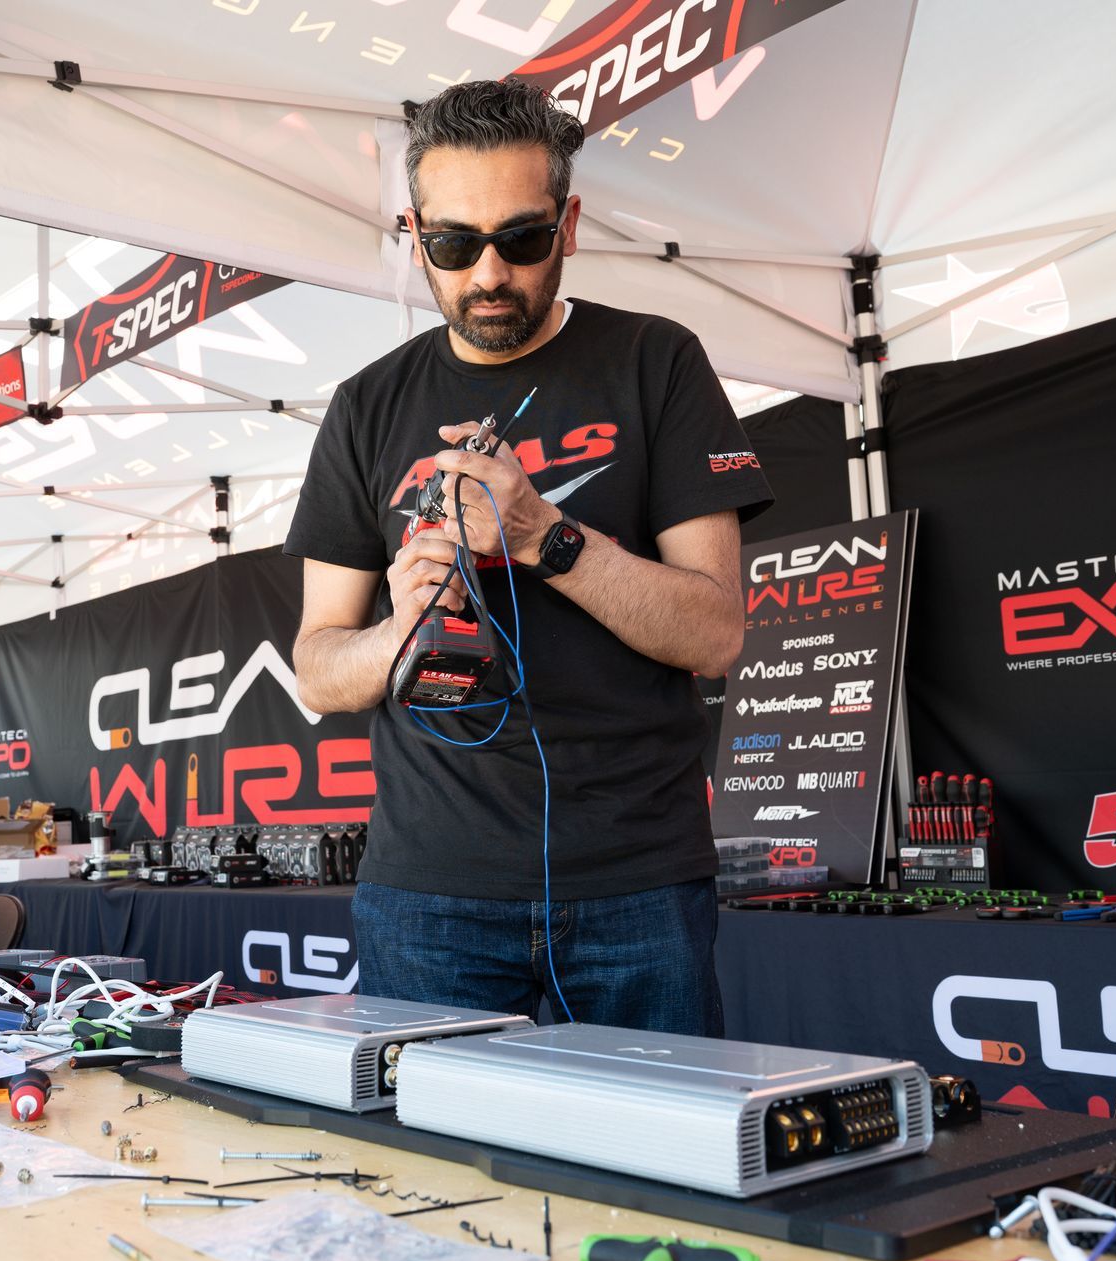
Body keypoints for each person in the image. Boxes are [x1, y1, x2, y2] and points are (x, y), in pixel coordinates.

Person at [284, 80, 773, 1035]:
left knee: (659, 1168)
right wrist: (398, 631)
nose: (489, 274)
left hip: (637, 880)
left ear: (571, 224)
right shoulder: (366, 405)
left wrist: (541, 537)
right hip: (432, 890)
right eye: (455, 245)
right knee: (435, 1174)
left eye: (523, 238)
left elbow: (716, 635)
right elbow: (317, 668)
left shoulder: (656, 360)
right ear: (414, 233)